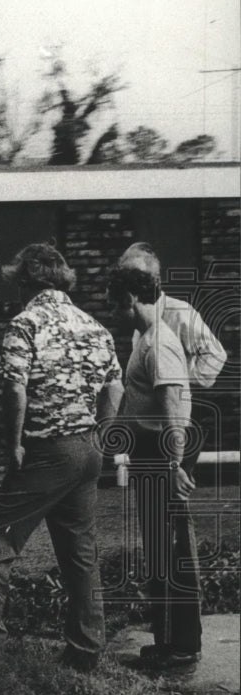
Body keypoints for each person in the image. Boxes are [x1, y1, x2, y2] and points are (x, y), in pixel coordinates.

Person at [0, 243, 124, 672]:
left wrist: (13, 443)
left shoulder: (25, 324)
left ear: (25, 281)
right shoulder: (95, 326)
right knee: (79, 551)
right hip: (87, 448)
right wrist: (101, 435)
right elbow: (115, 388)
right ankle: (87, 651)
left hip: (46, 449)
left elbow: (14, 387)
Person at [107, 266, 202, 669]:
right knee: (160, 552)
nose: (113, 310)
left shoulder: (159, 343)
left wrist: (175, 465)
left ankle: (183, 644)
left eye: (115, 301)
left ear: (130, 298)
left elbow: (172, 409)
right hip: (152, 456)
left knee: (174, 550)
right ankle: (167, 640)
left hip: (164, 456)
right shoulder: (146, 339)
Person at [118, 242, 226, 392]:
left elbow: (215, 354)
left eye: (137, 277)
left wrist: (178, 384)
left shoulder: (179, 311)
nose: (129, 284)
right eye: (126, 277)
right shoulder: (138, 320)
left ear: (156, 280)